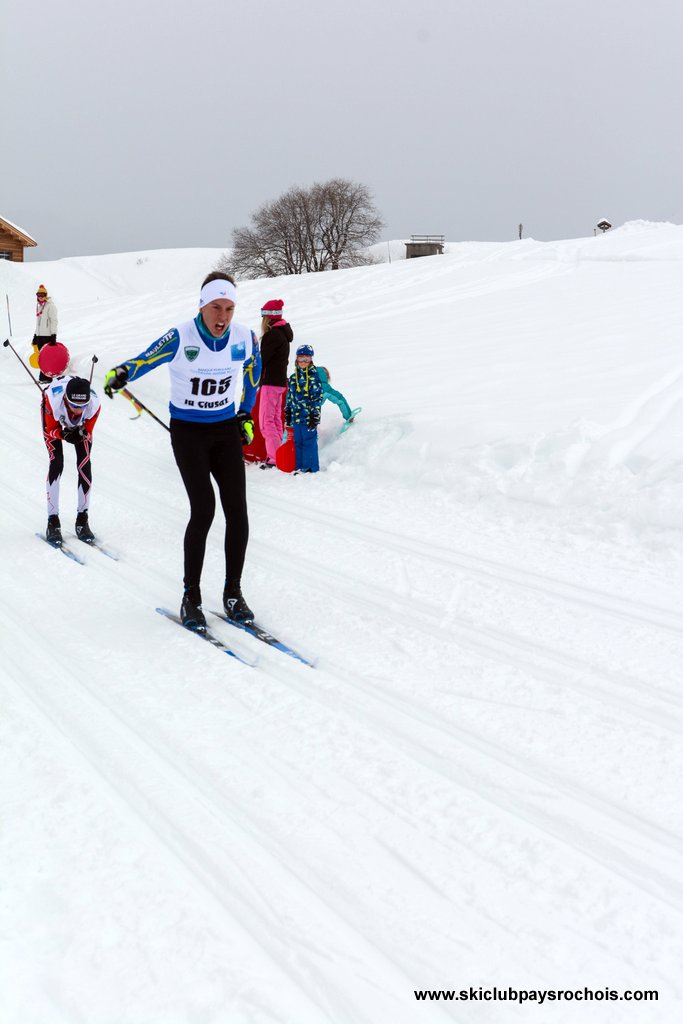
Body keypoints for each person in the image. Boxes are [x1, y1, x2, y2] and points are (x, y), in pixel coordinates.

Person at [103, 272, 261, 630]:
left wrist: (245, 414)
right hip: (188, 431)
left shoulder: (245, 337)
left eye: (230, 308)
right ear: (202, 306)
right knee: (204, 507)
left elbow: (253, 373)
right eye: (216, 307)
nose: (223, 316)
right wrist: (122, 372)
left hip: (224, 429)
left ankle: (233, 592)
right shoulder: (182, 336)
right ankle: (191, 596)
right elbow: (146, 358)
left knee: (237, 508)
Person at [41, 374, 101, 546]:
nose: (78, 410)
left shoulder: (94, 405)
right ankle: (52, 522)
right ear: (66, 400)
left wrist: (81, 433)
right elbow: (48, 431)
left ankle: (82, 519)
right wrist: (63, 434)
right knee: (57, 462)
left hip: (78, 425)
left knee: (84, 464)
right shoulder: (53, 401)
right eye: (74, 405)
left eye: (83, 406)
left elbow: (87, 431)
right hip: (54, 420)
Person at [258, 298, 293, 468]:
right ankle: (278, 453)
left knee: (267, 422)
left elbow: (262, 360)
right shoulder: (283, 334)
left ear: (268, 317)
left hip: (271, 383)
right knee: (275, 420)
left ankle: (273, 458)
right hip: (279, 382)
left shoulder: (272, 335)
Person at [285, 345, 323, 474]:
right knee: (298, 441)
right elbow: (289, 396)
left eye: (307, 359)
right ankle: (299, 466)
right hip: (296, 416)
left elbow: (317, 398)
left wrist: (315, 415)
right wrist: (288, 412)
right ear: (296, 359)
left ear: (311, 360)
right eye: (301, 358)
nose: (303, 362)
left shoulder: (314, 378)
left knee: (309, 441)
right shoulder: (293, 378)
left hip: (308, 417)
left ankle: (310, 467)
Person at [31, 285, 59, 384]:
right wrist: (35, 335)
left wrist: (53, 335)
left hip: (47, 336)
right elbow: (38, 324)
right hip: (40, 336)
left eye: (42, 295)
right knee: (41, 357)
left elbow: (54, 321)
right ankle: (43, 377)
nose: (41, 297)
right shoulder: (39, 306)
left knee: (46, 358)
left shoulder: (50, 306)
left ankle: (47, 378)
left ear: (46, 295)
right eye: (39, 295)